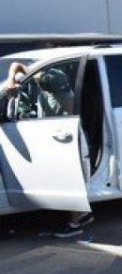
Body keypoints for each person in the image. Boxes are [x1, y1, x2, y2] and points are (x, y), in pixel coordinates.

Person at [1, 62, 93, 238]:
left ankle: (74, 223)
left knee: (69, 178)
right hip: (59, 135)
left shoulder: (64, 96)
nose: (39, 82)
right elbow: (17, 65)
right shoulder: (51, 89)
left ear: (56, 83)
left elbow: (67, 121)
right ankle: (82, 214)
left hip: (66, 137)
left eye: (43, 80)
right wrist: (11, 80)